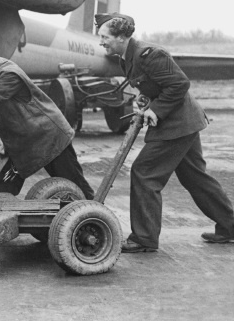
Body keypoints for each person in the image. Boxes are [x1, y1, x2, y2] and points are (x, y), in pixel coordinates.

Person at [95, 13, 234, 252]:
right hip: (182, 123)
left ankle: (144, 238)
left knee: (144, 172)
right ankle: (230, 226)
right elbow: (157, 84)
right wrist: (145, 98)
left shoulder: (150, 54)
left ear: (121, 37)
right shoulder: (126, 57)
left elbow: (179, 84)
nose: (101, 42)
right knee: (195, 178)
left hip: (177, 125)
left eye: (105, 37)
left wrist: (156, 110)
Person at [0, 35, 95, 200]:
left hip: (49, 138)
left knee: (75, 187)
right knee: (1, 184)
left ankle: (97, 219)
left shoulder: (9, 73)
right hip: (21, 144)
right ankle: (0, 219)